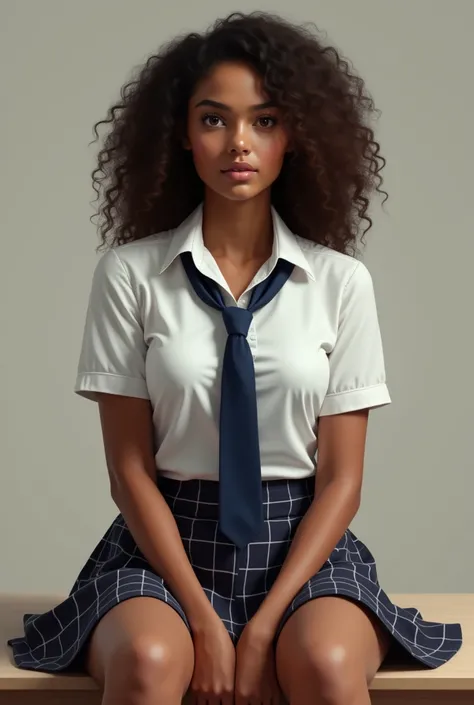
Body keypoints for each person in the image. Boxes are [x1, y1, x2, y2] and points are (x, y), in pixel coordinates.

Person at [8, 10, 462, 705]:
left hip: (303, 546)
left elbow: (342, 480)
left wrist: (262, 627)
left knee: (324, 662)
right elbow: (129, 470)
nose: (239, 143)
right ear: (183, 136)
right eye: (215, 119)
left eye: (266, 120)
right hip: (163, 546)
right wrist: (202, 620)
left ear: (296, 139)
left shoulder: (340, 284)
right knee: (153, 659)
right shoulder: (129, 277)